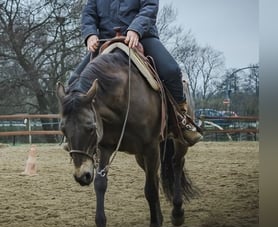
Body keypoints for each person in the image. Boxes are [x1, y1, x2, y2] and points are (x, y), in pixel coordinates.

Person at [68, 0, 202, 146]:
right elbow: (89, 13)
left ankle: (181, 120)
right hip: (105, 39)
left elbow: (150, 6)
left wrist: (136, 29)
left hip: (142, 37)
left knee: (171, 71)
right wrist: (90, 34)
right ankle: (75, 130)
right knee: (74, 81)